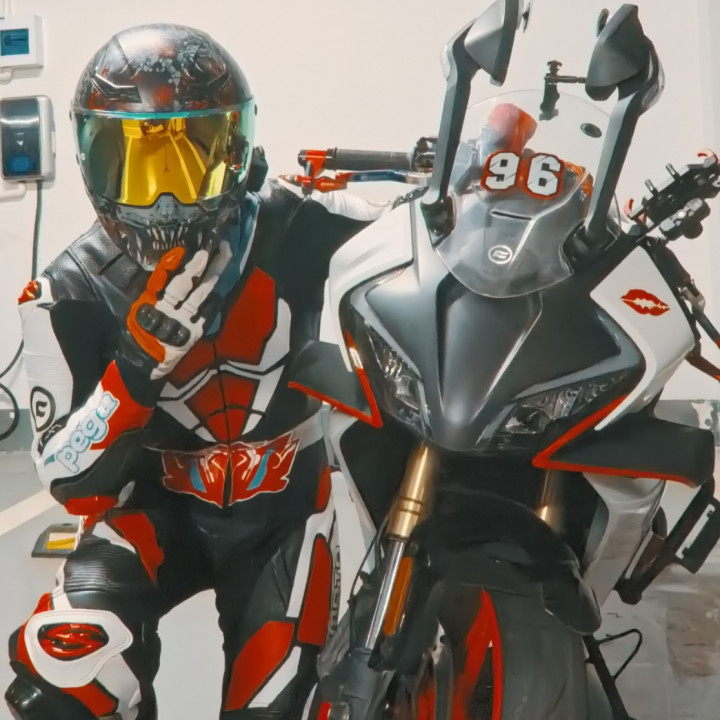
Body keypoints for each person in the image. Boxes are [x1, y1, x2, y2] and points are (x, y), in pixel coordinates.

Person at [5, 23, 399, 720]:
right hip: (155, 512)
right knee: (63, 673)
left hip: (288, 514)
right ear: (96, 162)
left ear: (236, 150)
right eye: (140, 165)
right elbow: (64, 476)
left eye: (193, 158)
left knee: (280, 706)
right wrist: (133, 370)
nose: (166, 199)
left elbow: (423, 236)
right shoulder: (67, 289)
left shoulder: (306, 218)